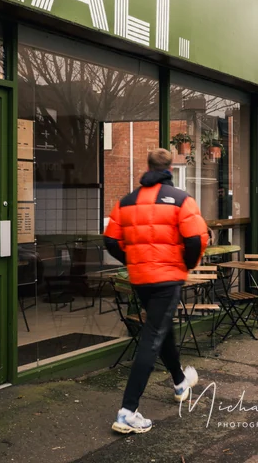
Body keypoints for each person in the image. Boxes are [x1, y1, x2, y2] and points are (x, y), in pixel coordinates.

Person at [103, 148, 209, 434]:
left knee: (160, 328)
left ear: (147, 166)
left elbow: (110, 240)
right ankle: (127, 411)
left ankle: (179, 382)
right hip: (167, 278)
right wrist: (184, 266)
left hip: (141, 279)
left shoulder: (126, 201)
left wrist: (132, 260)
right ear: (170, 168)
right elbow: (197, 239)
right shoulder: (181, 200)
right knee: (152, 338)